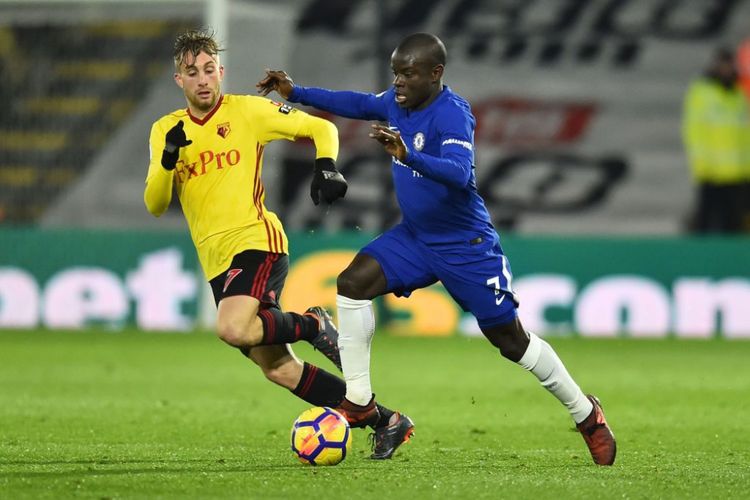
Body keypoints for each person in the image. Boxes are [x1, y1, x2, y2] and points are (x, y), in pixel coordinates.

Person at [257, 32, 616, 465]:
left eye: (408, 74)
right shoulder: (396, 102)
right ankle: (359, 399)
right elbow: (354, 102)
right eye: (395, 74)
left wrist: (409, 155)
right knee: (351, 284)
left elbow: (459, 174)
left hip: (466, 244)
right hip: (416, 237)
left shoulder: (453, 114)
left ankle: (586, 415)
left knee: (509, 340)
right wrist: (296, 92)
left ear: (435, 74)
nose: (399, 83)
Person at [144, 29, 413, 460]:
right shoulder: (165, 130)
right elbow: (156, 204)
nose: (203, 80)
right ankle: (386, 420)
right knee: (279, 369)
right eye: (192, 73)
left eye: (210, 70)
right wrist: (167, 160)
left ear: (221, 72)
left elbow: (320, 127)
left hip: (256, 241)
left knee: (232, 328)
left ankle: (312, 325)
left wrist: (325, 166)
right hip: (216, 263)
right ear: (179, 80)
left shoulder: (248, 112)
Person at [682, 47, 750, 233]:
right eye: (722, 65)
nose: (726, 69)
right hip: (712, 171)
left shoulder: (739, 93)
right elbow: (694, 131)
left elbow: (744, 134)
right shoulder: (703, 92)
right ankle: (700, 259)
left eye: (729, 65)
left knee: (735, 225)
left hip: (738, 172)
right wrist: (701, 165)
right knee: (706, 221)